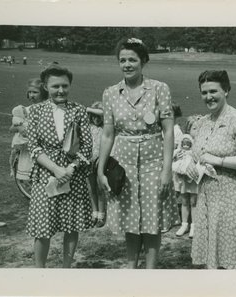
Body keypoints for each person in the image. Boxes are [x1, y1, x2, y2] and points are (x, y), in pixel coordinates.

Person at [97, 37, 179, 269]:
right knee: (131, 219)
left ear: (143, 61)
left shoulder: (159, 89)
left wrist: (166, 170)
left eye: (132, 59)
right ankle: (131, 269)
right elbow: (107, 134)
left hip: (153, 163)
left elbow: (168, 129)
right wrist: (101, 169)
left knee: (152, 219)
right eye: (122, 60)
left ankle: (150, 271)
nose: (127, 64)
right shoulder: (111, 93)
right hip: (124, 165)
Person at [186, 70, 236, 269]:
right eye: (204, 93)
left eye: (213, 91)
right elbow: (197, 154)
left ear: (226, 90)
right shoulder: (202, 122)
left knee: (231, 257)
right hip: (207, 196)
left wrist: (218, 160)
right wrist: (193, 165)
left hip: (232, 197)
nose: (208, 97)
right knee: (212, 254)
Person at [26, 64, 94, 268]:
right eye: (55, 86)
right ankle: (40, 271)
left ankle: (66, 268)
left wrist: (70, 169)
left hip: (73, 176)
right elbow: (34, 146)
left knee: (71, 225)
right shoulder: (36, 110)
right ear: (46, 87)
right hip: (45, 175)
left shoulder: (79, 110)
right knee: (42, 227)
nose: (61, 90)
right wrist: (56, 170)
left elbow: (87, 147)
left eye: (65, 85)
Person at [9, 78, 48, 183]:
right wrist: (19, 126)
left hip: (43, 148)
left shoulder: (48, 108)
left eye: (35, 92)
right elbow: (11, 129)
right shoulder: (25, 110)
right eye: (30, 92)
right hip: (28, 148)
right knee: (31, 177)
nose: (32, 95)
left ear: (43, 93)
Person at [172, 134, 198, 238]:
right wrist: (176, 158)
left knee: (193, 202)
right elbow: (173, 161)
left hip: (192, 179)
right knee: (184, 201)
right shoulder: (179, 152)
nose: (186, 146)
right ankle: (184, 224)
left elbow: (198, 161)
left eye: (188, 144)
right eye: (184, 143)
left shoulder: (194, 153)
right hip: (182, 179)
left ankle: (194, 226)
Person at [86, 101, 106, 227]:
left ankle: (101, 215)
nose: (96, 119)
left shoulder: (105, 129)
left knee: (100, 189)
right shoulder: (88, 128)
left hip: (100, 162)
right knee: (91, 188)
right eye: (93, 116)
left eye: (98, 116)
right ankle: (94, 213)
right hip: (89, 161)